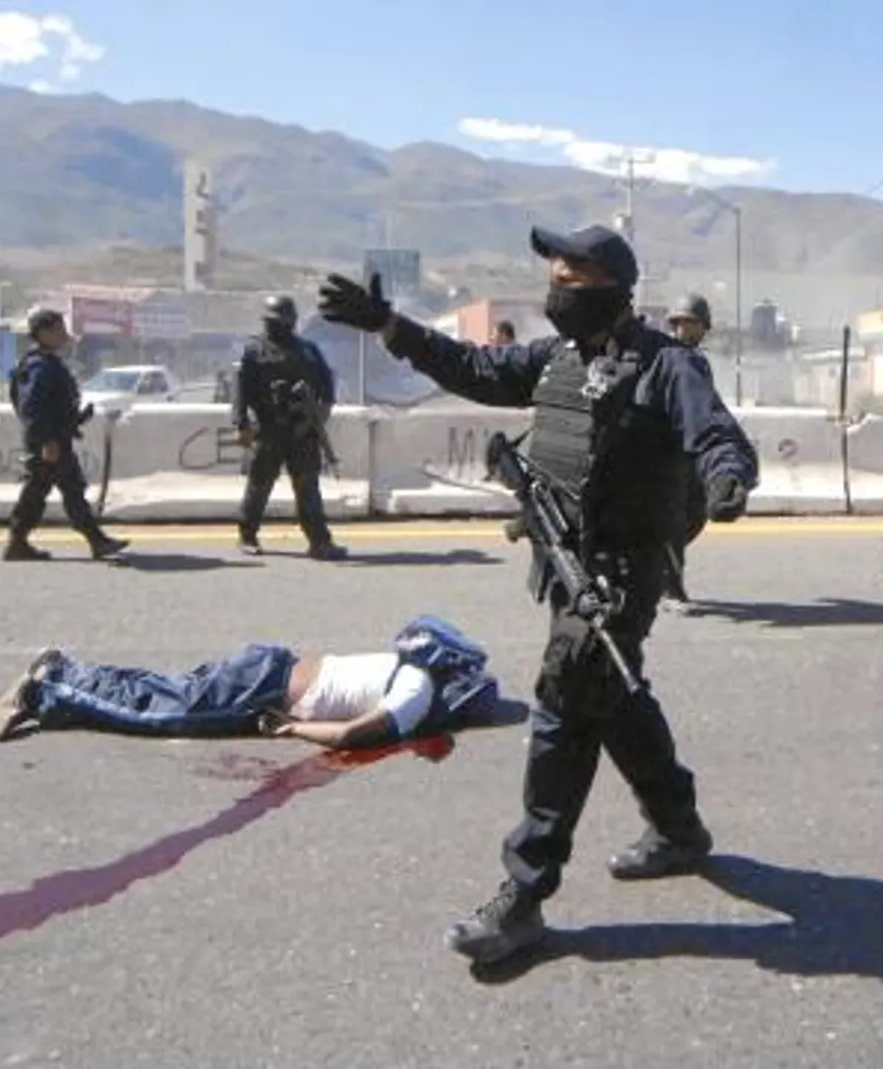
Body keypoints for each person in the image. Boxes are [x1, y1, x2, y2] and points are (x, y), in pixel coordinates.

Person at [315, 223, 760, 965]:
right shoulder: (557, 360)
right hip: (563, 562)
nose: (557, 283)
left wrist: (727, 480)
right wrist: (391, 326)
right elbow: (474, 368)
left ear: (613, 287)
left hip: (619, 576)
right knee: (613, 696)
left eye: (572, 274)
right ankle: (679, 828)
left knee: (564, 706)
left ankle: (523, 894)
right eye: (552, 272)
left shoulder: (665, 365)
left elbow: (716, 434)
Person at [0, 615, 500, 750]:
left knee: (164, 694)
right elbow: (348, 735)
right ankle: (50, 682)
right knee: (161, 714)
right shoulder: (417, 692)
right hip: (265, 692)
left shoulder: (406, 670)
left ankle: (65, 696)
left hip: (268, 669)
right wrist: (292, 732)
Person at [2, 307, 129, 563]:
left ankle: (18, 542)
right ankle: (95, 540)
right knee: (68, 489)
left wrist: (75, 418)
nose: (64, 334)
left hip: (53, 438)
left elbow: (52, 405)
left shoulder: (44, 363)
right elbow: (32, 407)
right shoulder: (39, 366)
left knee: (39, 491)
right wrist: (48, 440)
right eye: (58, 329)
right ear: (44, 333)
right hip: (48, 441)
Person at [230, 295, 346, 561]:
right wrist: (242, 424)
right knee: (259, 485)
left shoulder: (308, 351)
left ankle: (319, 541)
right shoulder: (254, 351)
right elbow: (241, 392)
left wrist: (316, 420)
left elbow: (327, 390)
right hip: (269, 429)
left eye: (281, 321)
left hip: (302, 431)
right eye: (272, 321)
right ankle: (247, 535)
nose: (276, 326)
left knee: (308, 487)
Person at [659, 293, 748, 611]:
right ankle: (671, 589)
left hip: (691, 451)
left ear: (703, 327)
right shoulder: (666, 356)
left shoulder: (696, 361)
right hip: (667, 451)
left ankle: (659, 572)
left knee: (695, 516)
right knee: (673, 518)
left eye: (691, 322)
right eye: (679, 322)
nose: (684, 328)